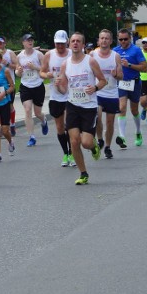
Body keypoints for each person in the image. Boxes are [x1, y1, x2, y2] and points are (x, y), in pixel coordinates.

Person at [56, 32, 107, 185]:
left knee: (85, 142)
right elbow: (63, 89)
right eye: (73, 41)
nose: (75, 43)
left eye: (78, 41)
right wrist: (58, 85)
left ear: (83, 45)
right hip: (72, 105)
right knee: (74, 140)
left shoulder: (90, 61)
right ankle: (83, 173)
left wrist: (95, 88)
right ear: (69, 44)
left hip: (89, 106)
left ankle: (94, 146)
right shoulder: (65, 64)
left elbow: (103, 81)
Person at [40, 30, 73, 166]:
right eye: (58, 43)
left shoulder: (72, 54)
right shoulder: (49, 55)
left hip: (71, 95)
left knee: (68, 125)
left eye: (62, 43)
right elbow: (41, 72)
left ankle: (72, 153)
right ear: (54, 43)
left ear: (67, 42)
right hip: (55, 96)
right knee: (60, 127)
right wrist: (47, 75)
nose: (60, 46)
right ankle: (66, 153)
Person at [91, 29, 124, 160]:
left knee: (110, 122)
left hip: (111, 93)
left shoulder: (115, 56)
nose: (104, 40)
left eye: (106, 38)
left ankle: (108, 147)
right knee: (98, 117)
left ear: (110, 41)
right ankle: (100, 139)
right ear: (98, 40)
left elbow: (121, 76)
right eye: (101, 38)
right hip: (98, 92)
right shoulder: (93, 54)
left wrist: (116, 74)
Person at [113, 28, 147, 148]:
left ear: (130, 38)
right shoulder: (115, 51)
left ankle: (138, 132)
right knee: (121, 108)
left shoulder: (136, 50)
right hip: (121, 83)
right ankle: (122, 137)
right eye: (120, 39)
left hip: (134, 82)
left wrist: (130, 65)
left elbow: (144, 67)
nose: (123, 41)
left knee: (134, 110)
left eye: (125, 39)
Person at [15, 33, 49, 147]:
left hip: (38, 86)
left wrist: (34, 67)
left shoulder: (38, 55)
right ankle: (32, 137)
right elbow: (17, 72)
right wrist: (18, 72)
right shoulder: (19, 57)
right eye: (27, 40)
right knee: (28, 110)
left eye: (31, 40)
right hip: (25, 86)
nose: (30, 42)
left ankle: (43, 121)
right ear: (23, 43)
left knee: (38, 113)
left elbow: (46, 69)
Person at [0, 36, 19, 136]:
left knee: (9, 106)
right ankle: (2, 128)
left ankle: (12, 125)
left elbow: (17, 66)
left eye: (1, 43)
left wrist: (7, 63)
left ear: (5, 43)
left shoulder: (10, 53)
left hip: (9, 84)